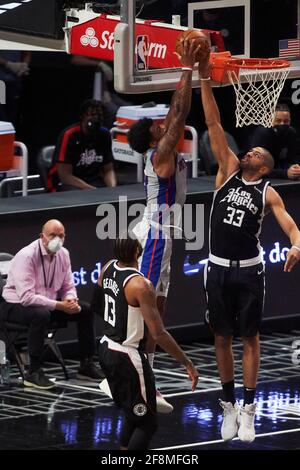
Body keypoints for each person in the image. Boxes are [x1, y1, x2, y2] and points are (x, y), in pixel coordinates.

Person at [198, 54, 300, 442]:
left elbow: (291, 226)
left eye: (254, 154)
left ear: (263, 165)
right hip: (218, 266)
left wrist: (296, 245)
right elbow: (212, 123)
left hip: (249, 269)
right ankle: (227, 404)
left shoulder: (267, 190)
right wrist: (205, 79)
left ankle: (250, 409)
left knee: (250, 338)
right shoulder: (226, 172)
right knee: (221, 337)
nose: (248, 153)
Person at [127, 39, 202, 412]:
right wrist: (187, 68)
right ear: (155, 137)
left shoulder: (158, 149)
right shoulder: (161, 154)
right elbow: (182, 113)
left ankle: (148, 381)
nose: (163, 124)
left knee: (160, 309)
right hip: (156, 232)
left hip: (163, 232)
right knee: (149, 314)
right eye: (159, 126)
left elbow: (176, 111)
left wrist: (182, 72)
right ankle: (138, 380)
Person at [93, 235, 199, 450]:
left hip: (105, 346)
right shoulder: (141, 285)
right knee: (147, 422)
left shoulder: (107, 268)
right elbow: (158, 334)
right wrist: (187, 362)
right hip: (127, 356)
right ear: (136, 253)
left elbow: (98, 299)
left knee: (133, 414)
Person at [0, 219, 104, 389]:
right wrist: (59, 305)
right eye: (52, 235)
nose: (57, 239)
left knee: (84, 310)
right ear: (42, 237)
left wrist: (71, 300)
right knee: (41, 315)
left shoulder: (64, 254)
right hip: (14, 305)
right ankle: (33, 372)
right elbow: (27, 297)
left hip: (46, 304)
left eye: (61, 236)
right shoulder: (27, 256)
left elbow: (68, 285)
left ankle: (87, 364)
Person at [47, 99, 117, 191]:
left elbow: (108, 170)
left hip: (92, 181)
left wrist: (112, 190)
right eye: (91, 115)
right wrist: (93, 191)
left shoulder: (105, 134)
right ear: (82, 116)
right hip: (67, 183)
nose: (95, 118)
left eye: (99, 115)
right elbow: (65, 176)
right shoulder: (69, 135)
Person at [249, 103, 300, 180]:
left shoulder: (291, 133)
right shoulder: (262, 134)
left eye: (286, 121)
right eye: (278, 121)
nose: (282, 124)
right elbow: (256, 168)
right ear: (270, 120)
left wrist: (295, 168)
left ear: (290, 120)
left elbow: (292, 158)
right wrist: (285, 173)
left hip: (277, 171)